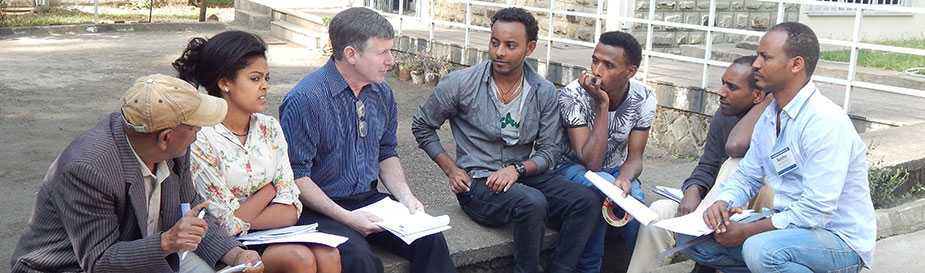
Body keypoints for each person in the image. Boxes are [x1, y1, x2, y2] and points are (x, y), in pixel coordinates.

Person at [411, 7, 601, 273]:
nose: (499, 52)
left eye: (511, 45)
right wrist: (451, 169)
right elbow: (422, 125)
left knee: (587, 201)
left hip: (522, 174)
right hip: (478, 181)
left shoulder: (543, 91)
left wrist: (518, 169)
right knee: (532, 203)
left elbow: (550, 150)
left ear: (530, 48)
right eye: (494, 42)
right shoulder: (461, 83)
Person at [10, 74, 263, 273]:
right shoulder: (87, 169)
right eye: (196, 127)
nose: (199, 133)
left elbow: (193, 210)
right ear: (166, 137)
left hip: (144, 255)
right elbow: (98, 262)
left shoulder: (177, 149)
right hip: (64, 267)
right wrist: (166, 242)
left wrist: (236, 254)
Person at [679, 22, 876, 273]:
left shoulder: (825, 121)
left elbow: (816, 211)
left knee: (760, 250)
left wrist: (747, 231)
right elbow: (747, 176)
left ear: (796, 64)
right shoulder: (770, 116)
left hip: (836, 238)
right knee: (694, 239)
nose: (756, 65)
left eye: (765, 57)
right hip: (787, 227)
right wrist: (722, 203)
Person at [279, 7, 456, 273]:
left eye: (391, 51)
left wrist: (406, 198)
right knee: (361, 261)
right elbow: (296, 176)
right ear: (351, 54)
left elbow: (386, 152)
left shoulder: (382, 92)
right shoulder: (305, 99)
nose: (391, 61)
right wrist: (349, 219)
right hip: (317, 209)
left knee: (430, 238)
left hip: (369, 199)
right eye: (382, 52)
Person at [173, 30, 341, 273]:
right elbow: (223, 223)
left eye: (266, 78)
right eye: (254, 78)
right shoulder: (201, 137)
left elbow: (292, 207)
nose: (264, 86)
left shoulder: (269, 126)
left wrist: (248, 210)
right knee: (299, 259)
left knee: (329, 254)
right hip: (228, 247)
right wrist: (268, 191)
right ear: (224, 83)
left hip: (278, 233)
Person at [626, 55, 774, 273]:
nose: (721, 92)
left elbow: (735, 147)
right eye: (723, 83)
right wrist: (693, 190)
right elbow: (707, 166)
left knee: (733, 163)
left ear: (758, 95)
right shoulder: (724, 115)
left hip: (754, 215)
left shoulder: (774, 122)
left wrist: (766, 105)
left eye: (732, 87)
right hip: (712, 207)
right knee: (657, 213)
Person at [553, 30, 654, 273]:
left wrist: (625, 178)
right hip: (570, 169)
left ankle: (641, 267)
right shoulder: (572, 95)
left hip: (615, 171)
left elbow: (635, 159)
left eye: (608, 65)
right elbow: (591, 162)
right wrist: (602, 104)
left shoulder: (644, 96)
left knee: (636, 202)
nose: (597, 71)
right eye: (595, 61)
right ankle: (589, 268)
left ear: (630, 71)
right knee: (601, 192)